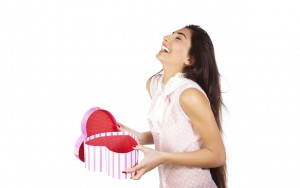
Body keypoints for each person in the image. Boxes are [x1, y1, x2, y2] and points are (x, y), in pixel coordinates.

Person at [118, 25, 227, 188]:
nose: (166, 37)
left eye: (178, 38)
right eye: (171, 34)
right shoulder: (154, 86)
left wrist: (162, 157)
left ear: (190, 59)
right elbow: (175, 132)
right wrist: (140, 137)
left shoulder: (189, 95)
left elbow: (217, 155)